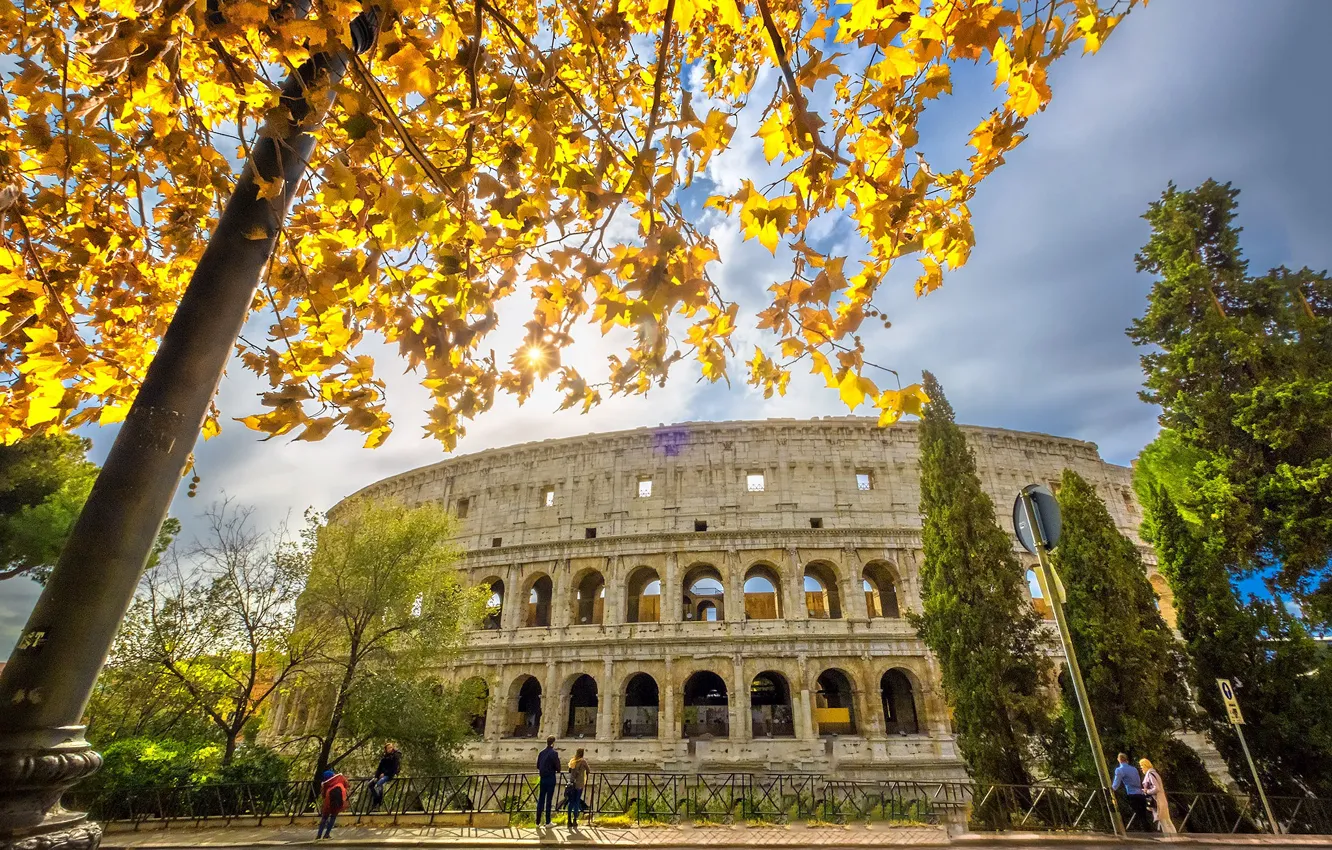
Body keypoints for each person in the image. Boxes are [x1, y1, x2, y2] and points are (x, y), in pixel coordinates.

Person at [1112, 752, 1150, 831]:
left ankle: (1125, 830)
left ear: (1119, 760)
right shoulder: (1134, 769)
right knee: (1143, 815)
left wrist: (1111, 790)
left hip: (1132, 794)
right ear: (1126, 759)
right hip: (1140, 793)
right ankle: (1148, 830)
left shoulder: (1119, 770)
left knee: (1134, 813)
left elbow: (1116, 783)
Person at [1140, 758, 1177, 834]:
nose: (1141, 768)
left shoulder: (1150, 774)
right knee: (1167, 819)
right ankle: (1174, 836)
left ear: (1145, 766)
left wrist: (1147, 791)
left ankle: (1169, 837)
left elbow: (1156, 788)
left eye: (1141, 766)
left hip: (1157, 800)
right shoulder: (1154, 773)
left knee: (1163, 820)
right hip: (1161, 799)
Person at [535, 736, 562, 826]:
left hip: (542, 778)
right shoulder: (554, 753)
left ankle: (537, 821)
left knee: (541, 799)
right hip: (550, 777)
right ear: (553, 743)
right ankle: (547, 821)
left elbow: (538, 765)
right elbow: (558, 767)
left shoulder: (541, 753)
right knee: (549, 800)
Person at [317, 769, 350, 839]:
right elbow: (347, 784)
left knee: (325, 817)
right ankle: (327, 834)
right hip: (338, 799)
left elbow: (323, 795)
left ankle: (319, 835)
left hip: (328, 800)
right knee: (333, 817)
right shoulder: (340, 779)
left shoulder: (326, 785)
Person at [370, 742, 401, 809]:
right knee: (370, 784)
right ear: (386, 749)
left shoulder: (395, 756)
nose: (390, 749)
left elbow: (394, 768)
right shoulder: (384, 757)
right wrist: (376, 776)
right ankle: (377, 800)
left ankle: (378, 802)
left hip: (389, 774)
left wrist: (385, 773)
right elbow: (379, 767)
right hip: (381, 775)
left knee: (378, 784)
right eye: (388, 748)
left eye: (391, 747)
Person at [566, 748, 590, 828]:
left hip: (571, 784)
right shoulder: (583, 761)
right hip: (579, 784)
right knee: (576, 802)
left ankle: (569, 820)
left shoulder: (572, 761)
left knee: (571, 802)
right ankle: (575, 820)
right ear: (582, 754)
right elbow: (588, 770)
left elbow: (569, 771)